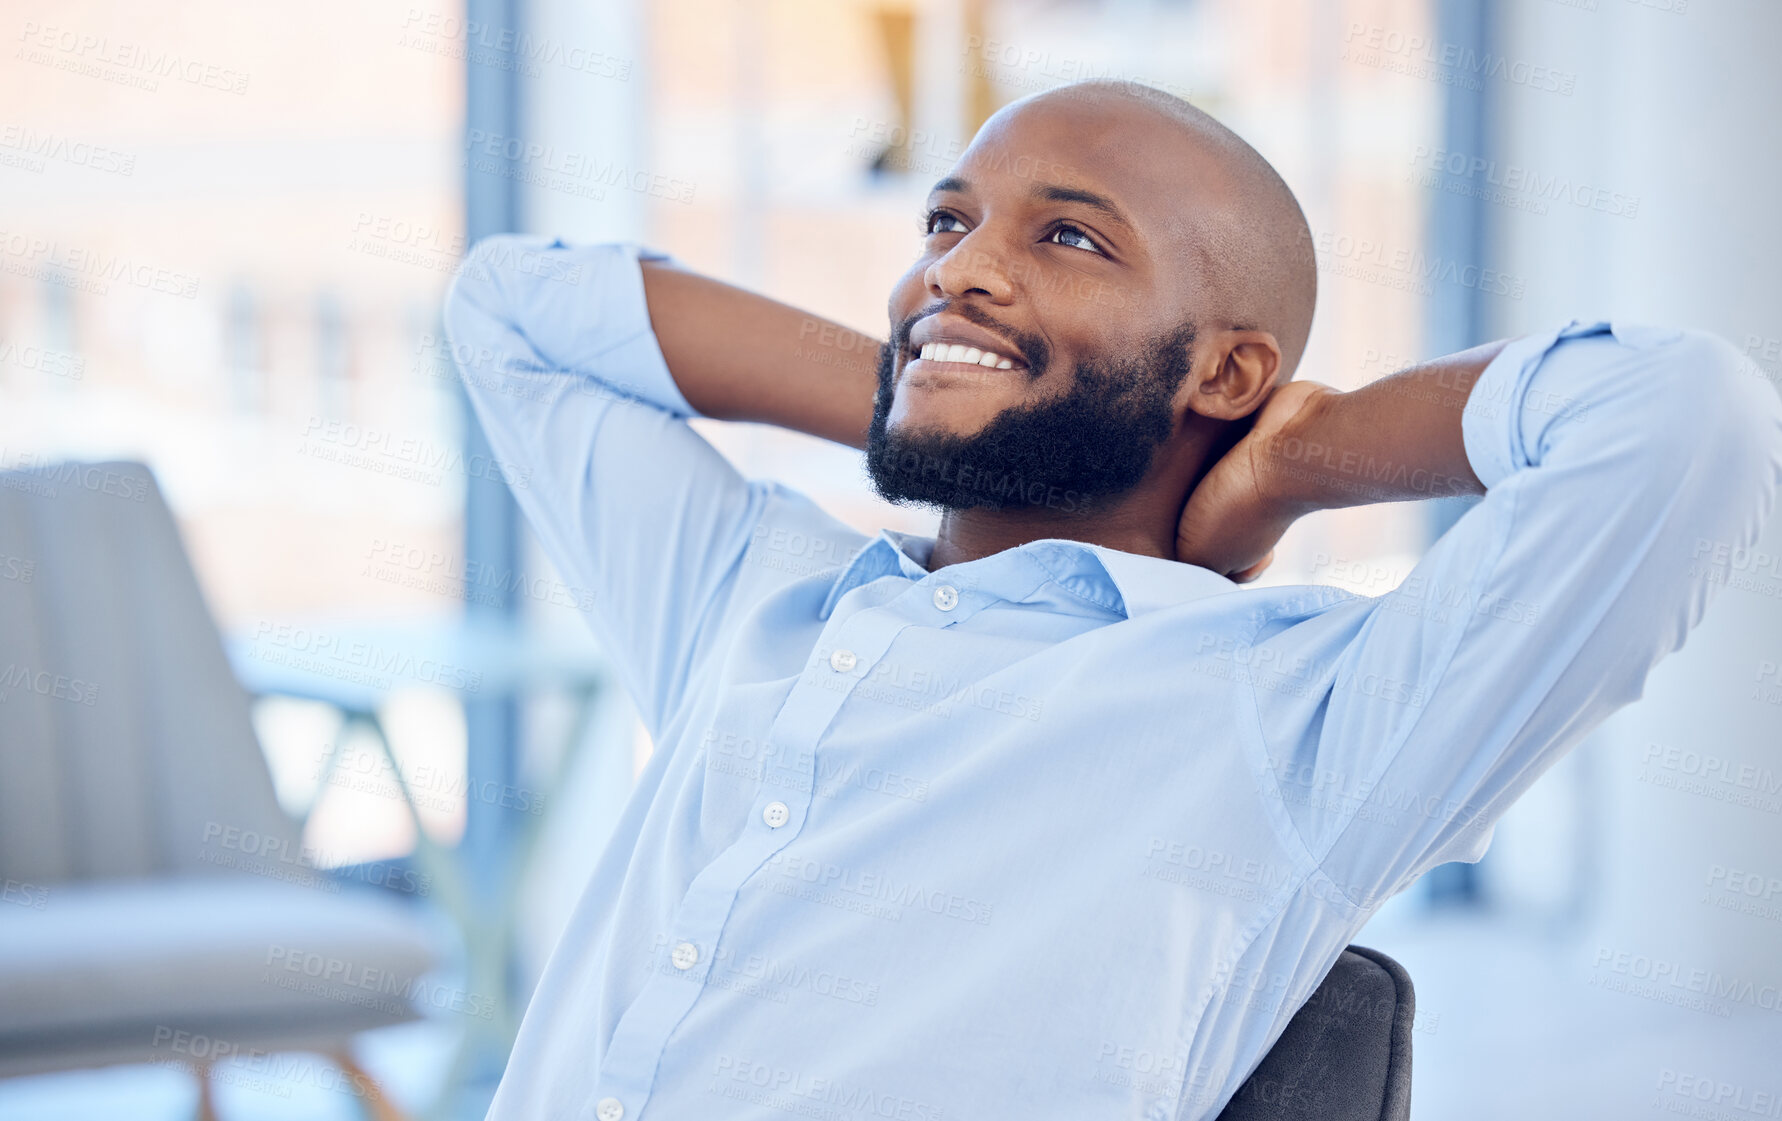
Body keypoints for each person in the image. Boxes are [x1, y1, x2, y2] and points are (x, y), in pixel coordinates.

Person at [443, 81, 1781, 1121]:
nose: (957, 264)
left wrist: (1287, 465)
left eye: (1068, 236)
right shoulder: (749, 592)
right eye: (945, 224)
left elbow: (1679, 419)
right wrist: (944, 373)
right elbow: (507, 310)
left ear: (1228, 368)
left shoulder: (1293, 710)